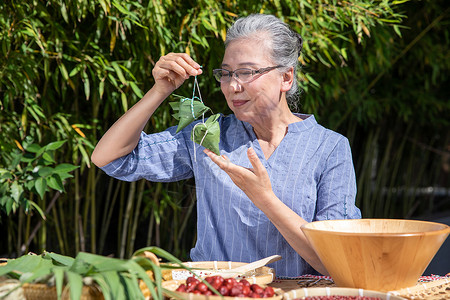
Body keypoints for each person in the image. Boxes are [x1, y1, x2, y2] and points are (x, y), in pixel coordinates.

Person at [91, 13, 361, 277]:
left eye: (246, 72)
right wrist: (159, 90)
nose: (232, 86)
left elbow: (339, 261)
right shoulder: (209, 134)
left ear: (286, 78)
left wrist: (264, 198)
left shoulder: (329, 148)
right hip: (213, 293)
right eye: (226, 73)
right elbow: (109, 158)